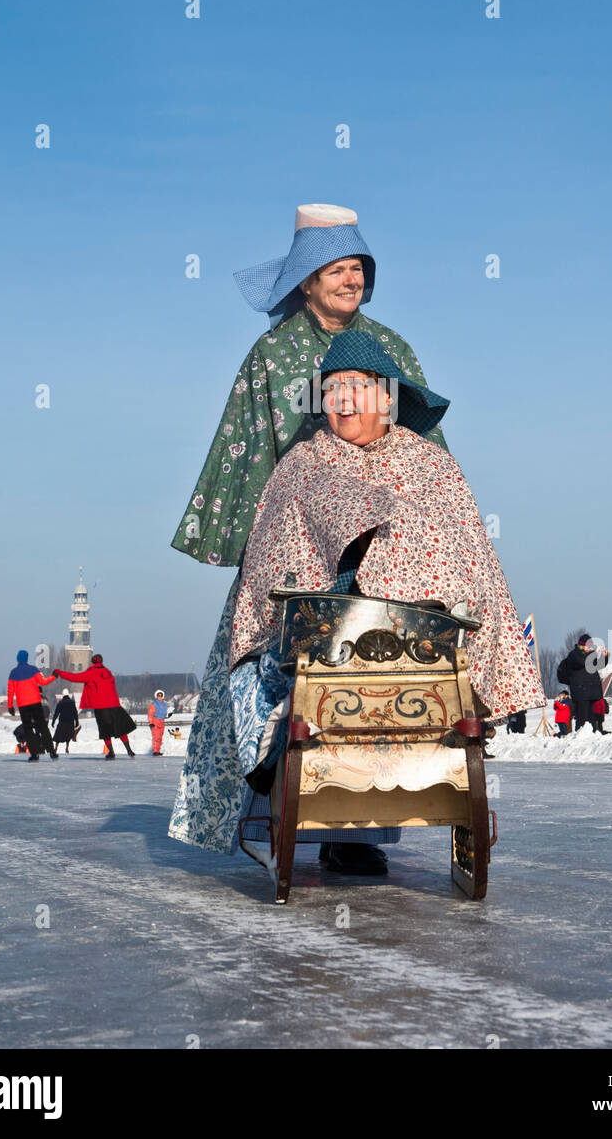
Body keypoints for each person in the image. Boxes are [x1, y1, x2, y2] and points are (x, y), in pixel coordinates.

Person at [206, 331, 544, 875]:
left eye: (358, 388)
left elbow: (466, 554)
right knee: (290, 665)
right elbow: (278, 553)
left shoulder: (432, 467)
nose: (343, 400)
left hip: (425, 631)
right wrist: (355, 553)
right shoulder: (303, 464)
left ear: (387, 398)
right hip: (330, 624)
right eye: (333, 389)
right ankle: (324, 814)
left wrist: (407, 570)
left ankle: (369, 825)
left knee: (431, 625)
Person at [169, 204, 450, 858]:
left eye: (358, 267)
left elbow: (420, 434)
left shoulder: (389, 346)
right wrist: (248, 543)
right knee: (279, 677)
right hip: (292, 537)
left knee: (370, 682)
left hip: (374, 540)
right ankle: (273, 811)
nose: (351, 279)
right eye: (337, 268)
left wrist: (430, 516)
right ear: (306, 279)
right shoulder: (270, 357)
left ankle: (355, 829)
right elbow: (244, 447)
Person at [53, 655, 136, 758]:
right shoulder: (108, 672)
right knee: (120, 729)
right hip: (114, 705)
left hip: (101, 707)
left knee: (105, 731)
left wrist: (60, 673)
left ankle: (111, 752)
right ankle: (129, 750)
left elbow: (74, 677)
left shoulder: (91, 673)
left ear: (92, 662)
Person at [7, 651, 59, 761]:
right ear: (26, 659)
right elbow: (43, 681)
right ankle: (52, 751)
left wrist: (10, 706)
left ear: (17, 659)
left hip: (23, 706)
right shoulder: (33, 669)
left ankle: (34, 754)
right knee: (43, 728)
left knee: (28, 730)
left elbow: (10, 691)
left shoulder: (13, 673)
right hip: (35, 703)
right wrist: (54, 676)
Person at [557, 635, 606, 732]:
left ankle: (593, 733)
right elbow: (582, 662)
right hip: (581, 692)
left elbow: (600, 665)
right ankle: (579, 735)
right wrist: (594, 653)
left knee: (592, 717)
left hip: (591, 692)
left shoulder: (590, 655)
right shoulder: (574, 654)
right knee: (582, 716)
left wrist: (605, 656)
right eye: (588, 646)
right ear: (582, 645)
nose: (590, 649)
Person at [148, 689, 168, 756]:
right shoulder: (153, 704)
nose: (160, 696)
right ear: (156, 696)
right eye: (158, 695)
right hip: (155, 721)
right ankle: (155, 751)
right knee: (156, 737)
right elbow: (150, 714)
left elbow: (165, 714)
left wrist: (168, 715)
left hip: (162, 721)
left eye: (161, 695)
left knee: (160, 737)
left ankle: (158, 750)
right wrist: (151, 723)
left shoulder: (164, 705)